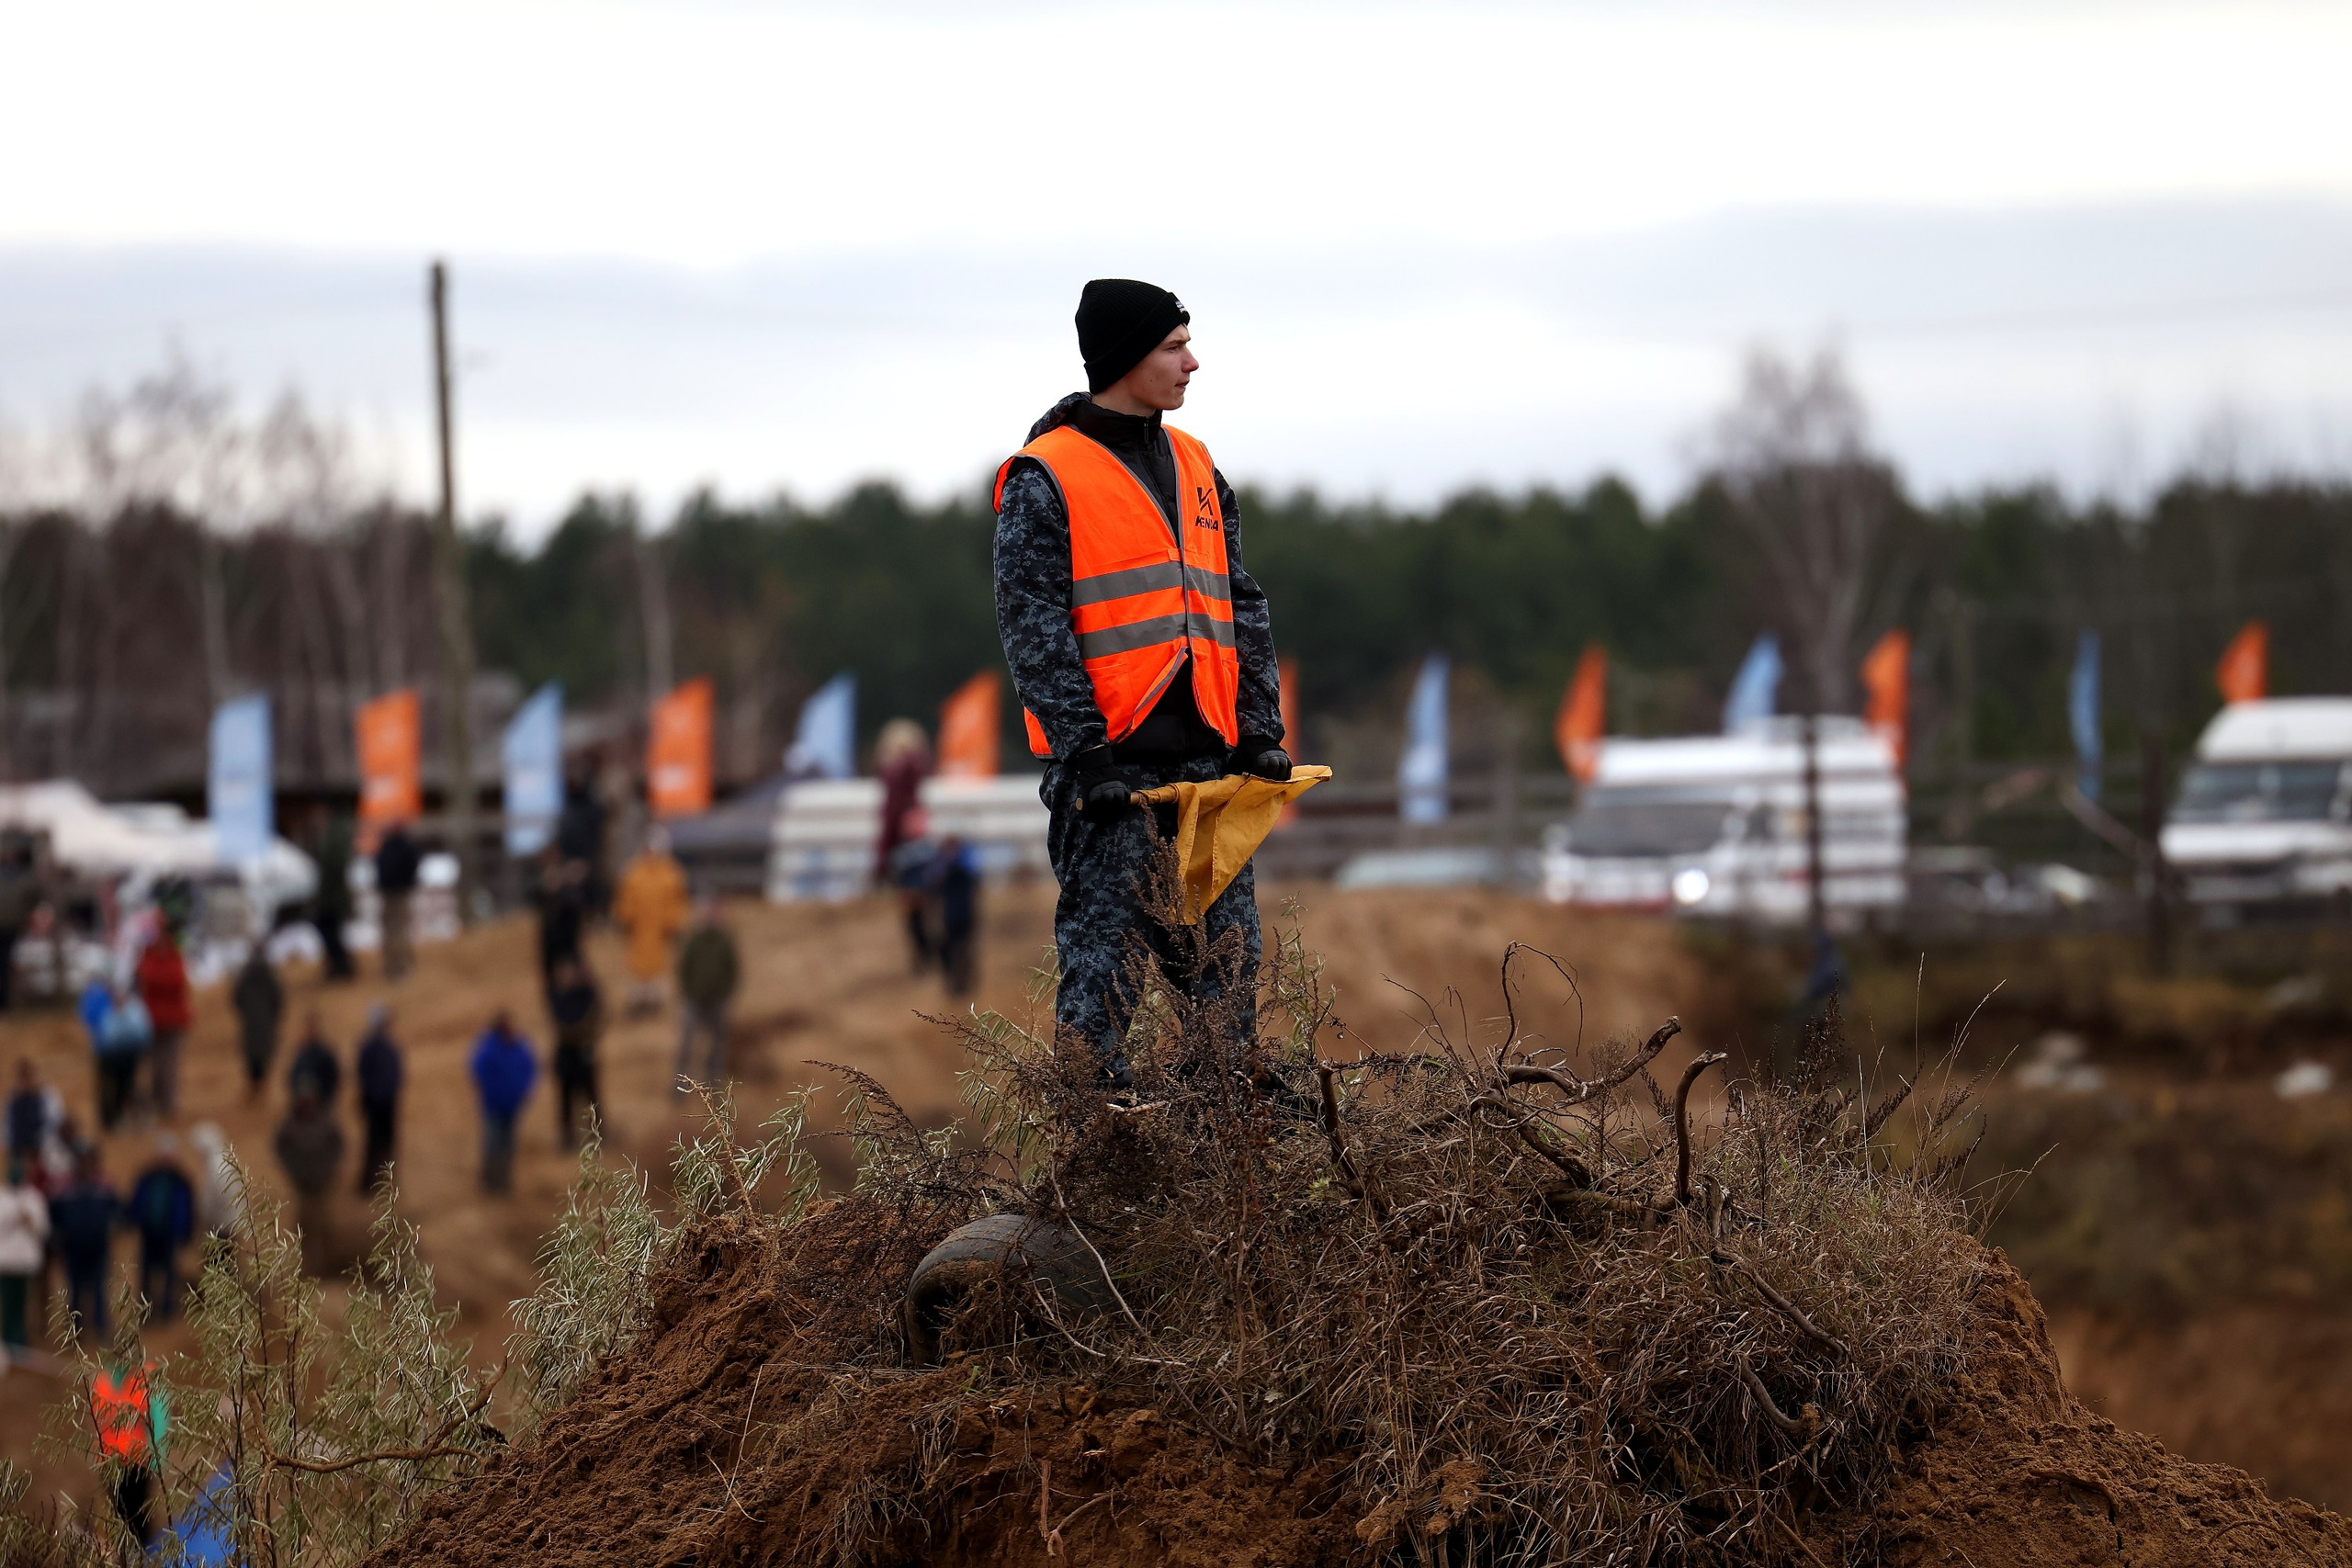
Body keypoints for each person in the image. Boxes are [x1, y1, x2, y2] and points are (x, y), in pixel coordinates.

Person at [993, 280, 1288, 1083]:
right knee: (1101, 998)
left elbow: (1241, 601)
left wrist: (1260, 730)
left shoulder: (1197, 465)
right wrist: (1087, 756)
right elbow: (1032, 624)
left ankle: (1225, 1175)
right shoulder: (1044, 475)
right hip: (1111, 787)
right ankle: (1093, 1166)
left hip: (1209, 780)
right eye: (1174, 346)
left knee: (1227, 994)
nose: (1193, 362)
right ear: (1126, 358)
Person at [92, 1356, 168, 1548]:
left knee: (140, 1517)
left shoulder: (146, 1379)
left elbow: (159, 1418)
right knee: (120, 1516)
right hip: (111, 1463)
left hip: (138, 1464)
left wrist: (156, 1456)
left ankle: (143, 1554)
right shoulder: (102, 1381)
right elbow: (97, 1423)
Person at [612, 830, 688, 1014]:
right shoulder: (634, 873)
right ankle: (640, 1002)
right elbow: (625, 902)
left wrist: (673, 924)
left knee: (658, 969)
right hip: (640, 933)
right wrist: (626, 919)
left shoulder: (670, 875)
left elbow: (676, 903)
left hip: (659, 934)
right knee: (639, 969)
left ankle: (654, 1002)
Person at [49, 1144, 119, 1338]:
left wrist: (113, 1227)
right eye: (82, 1161)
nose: (85, 1165)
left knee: (99, 1290)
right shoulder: (65, 1189)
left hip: (98, 1249)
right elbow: (54, 1216)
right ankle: (75, 1332)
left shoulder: (104, 1187)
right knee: (75, 1292)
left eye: (89, 1161)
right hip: (72, 1250)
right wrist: (57, 1238)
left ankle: (100, 1329)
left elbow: (117, 1211)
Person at [273, 1088, 344, 1275]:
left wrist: (328, 1168)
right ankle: (305, 1267)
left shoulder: (325, 1123)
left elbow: (337, 1145)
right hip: (302, 1184)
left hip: (322, 1183)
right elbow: (280, 1147)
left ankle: (325, 1265)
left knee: (322, 1224)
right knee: (303, 1225)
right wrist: (294, 1169)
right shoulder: (290, 1125)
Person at [673, 898, 740, 1092]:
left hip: (717, 1001)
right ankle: (679, 1086)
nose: (711, 917)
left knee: (718, 1046)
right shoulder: (695, 939)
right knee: (686, 1043)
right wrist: (688, 991)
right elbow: (684, 968)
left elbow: (733, 971)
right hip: (694, 1000)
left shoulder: (725, 942)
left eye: (714, 913)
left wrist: (724, 994)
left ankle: (713, 1086)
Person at [127, 1134, 195, 1320]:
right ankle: (146, 1310)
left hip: (169, 1234)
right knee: (146, 1274)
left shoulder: (180, 1181)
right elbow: (138, 1201)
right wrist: (134, 1219)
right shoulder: (148, 1177)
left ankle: (166, 1309)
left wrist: (185, 1232)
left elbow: (186, 1209)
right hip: (149, 1233)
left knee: (169, 1272)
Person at [469, 1012, 537, 1193]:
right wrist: (492, 1093)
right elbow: (477, 1071)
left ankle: (505, 1180)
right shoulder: (488, 1048)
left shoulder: (520, 1047)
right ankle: (490, 1181)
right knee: (492, 1142)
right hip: (493, 1105)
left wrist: (523, 1092)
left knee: (509, 1143)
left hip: (513, 1105)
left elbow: (530, 1069)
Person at [134, 923, 193, 1117]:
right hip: (152, 1020)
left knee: (167, 1063)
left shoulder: (160, 958)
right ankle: (158, 1100)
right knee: (158, 1063)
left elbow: (173, 982)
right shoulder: (153, 958)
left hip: (168, 1019)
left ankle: (166, 1101)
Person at [547, 957, 603, 1150]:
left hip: (583, 1053)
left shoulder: (589, 996)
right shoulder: (561, 997)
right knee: (565, 1100)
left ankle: (596, 1136)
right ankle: (567, 1138)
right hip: (566, 1055)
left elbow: (592, 1022)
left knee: (591, 1098)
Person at [0, 1156, 49, 1351]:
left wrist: (29, 1219)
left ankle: (19, 1339)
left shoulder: (34, 1197)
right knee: (8, 1303)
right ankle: (9, 1339)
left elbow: (44, 1228)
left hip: (26, 1262)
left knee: (23, 1302)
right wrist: (14, 1218)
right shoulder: (2, 1197)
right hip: (5, 1262)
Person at [90, 979, 152, 1132]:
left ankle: (123, 1118)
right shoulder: (101, 1004)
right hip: (108, 1057)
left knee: (125, 1088)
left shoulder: (134, 1009)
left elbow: (143, 1032)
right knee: (108, 1089)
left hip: (128, 1056)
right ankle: (109, 1121)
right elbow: (101, 1034)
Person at [355, 1006, 403, 1194]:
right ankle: (368, 1183)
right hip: (375, 1102)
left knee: (387, 1143)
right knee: (373, 1144)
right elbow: (363, 1074)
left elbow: (396, 1073)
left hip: (388, 1102)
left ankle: (386, 1182)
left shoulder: (389, 1047)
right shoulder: (370, 1047)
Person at [532, 849, 588, 1005]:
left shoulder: (568, 897)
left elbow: (576, 917)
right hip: (552, 947)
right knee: (554, 984)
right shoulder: (546, 900)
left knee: (577, 980)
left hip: (568, 945)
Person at [929, 834, 981, 998]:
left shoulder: (964, 867)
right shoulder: (943, 868)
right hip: (949, 917)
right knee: (949, 951)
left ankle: (963, 985)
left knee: (964, 951)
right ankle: (955, 984)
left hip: (964, 915)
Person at [231, 944, 285, 1098]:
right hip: (266, 1022)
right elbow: (278, 1000)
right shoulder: (271, 976)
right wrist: (272, 1016)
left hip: (251, 1022)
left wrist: (246, 1013)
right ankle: (261, 1084)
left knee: (251, 1055)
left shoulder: (245, 976)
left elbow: (237, 998)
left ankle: (254, 1085)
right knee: (264, 1054)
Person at [311, 810, 356, 982]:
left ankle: (341, 967)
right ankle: (339, 966)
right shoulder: (332, 842)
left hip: (332, 900)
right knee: (333, 933)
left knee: (333, 933)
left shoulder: (333, 844)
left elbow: (333, 870)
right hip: (331, 899)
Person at [374, 822, 423, 981]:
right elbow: (414, 865)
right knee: (399, 930)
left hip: (388, 893)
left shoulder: (385, 848)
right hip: (400, 893)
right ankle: (399, 967)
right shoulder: (405, 846)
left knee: (391, 931)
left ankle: (393, 966)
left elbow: (378, 868)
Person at [0, 843, 39, 1010]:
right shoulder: (20, 878)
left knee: (6, 963)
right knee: (6, 963)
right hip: (11, 927)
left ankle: (6, 1001)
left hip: (10, 928)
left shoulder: (21, 878)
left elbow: (32, 899)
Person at [286, 1012, 342, 1110]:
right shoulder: (300, 1054)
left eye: (312, 1027)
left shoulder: (325, 1054)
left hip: (322, 1105)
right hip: (302, 1106)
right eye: (308, 1028)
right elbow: (293, 1077)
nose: (310, 1031)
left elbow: (334, 1078)